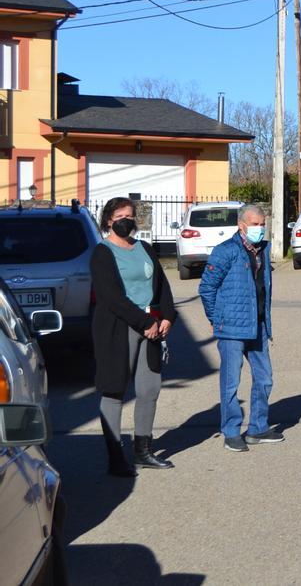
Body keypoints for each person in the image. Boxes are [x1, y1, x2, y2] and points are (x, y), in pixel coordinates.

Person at [90, 197, 177, 476]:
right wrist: (143, 322)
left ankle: (143, 451)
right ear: (108, 222)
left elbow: (162, 286)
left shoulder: (145, 249)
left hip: (151, 326)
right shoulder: (102, 253)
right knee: (114, 390)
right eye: (121, 217)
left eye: (130, 216)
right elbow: (110, 297)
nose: (127, 221)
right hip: (118, 328)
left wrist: (166, 316)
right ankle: (115, 458)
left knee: (149, 389)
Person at [199, 204, 282, 452]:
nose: (260, 229)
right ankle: (232, 432)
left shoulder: (264, 251)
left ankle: (258, 428)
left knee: (265, 379)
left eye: (262, 224)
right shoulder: (225, 251)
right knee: (230, 382)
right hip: (231, 329)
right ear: (241, 225)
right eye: (255, 224)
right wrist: (217, 319)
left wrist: (265, 323)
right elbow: (206, 288)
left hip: (258, 326)